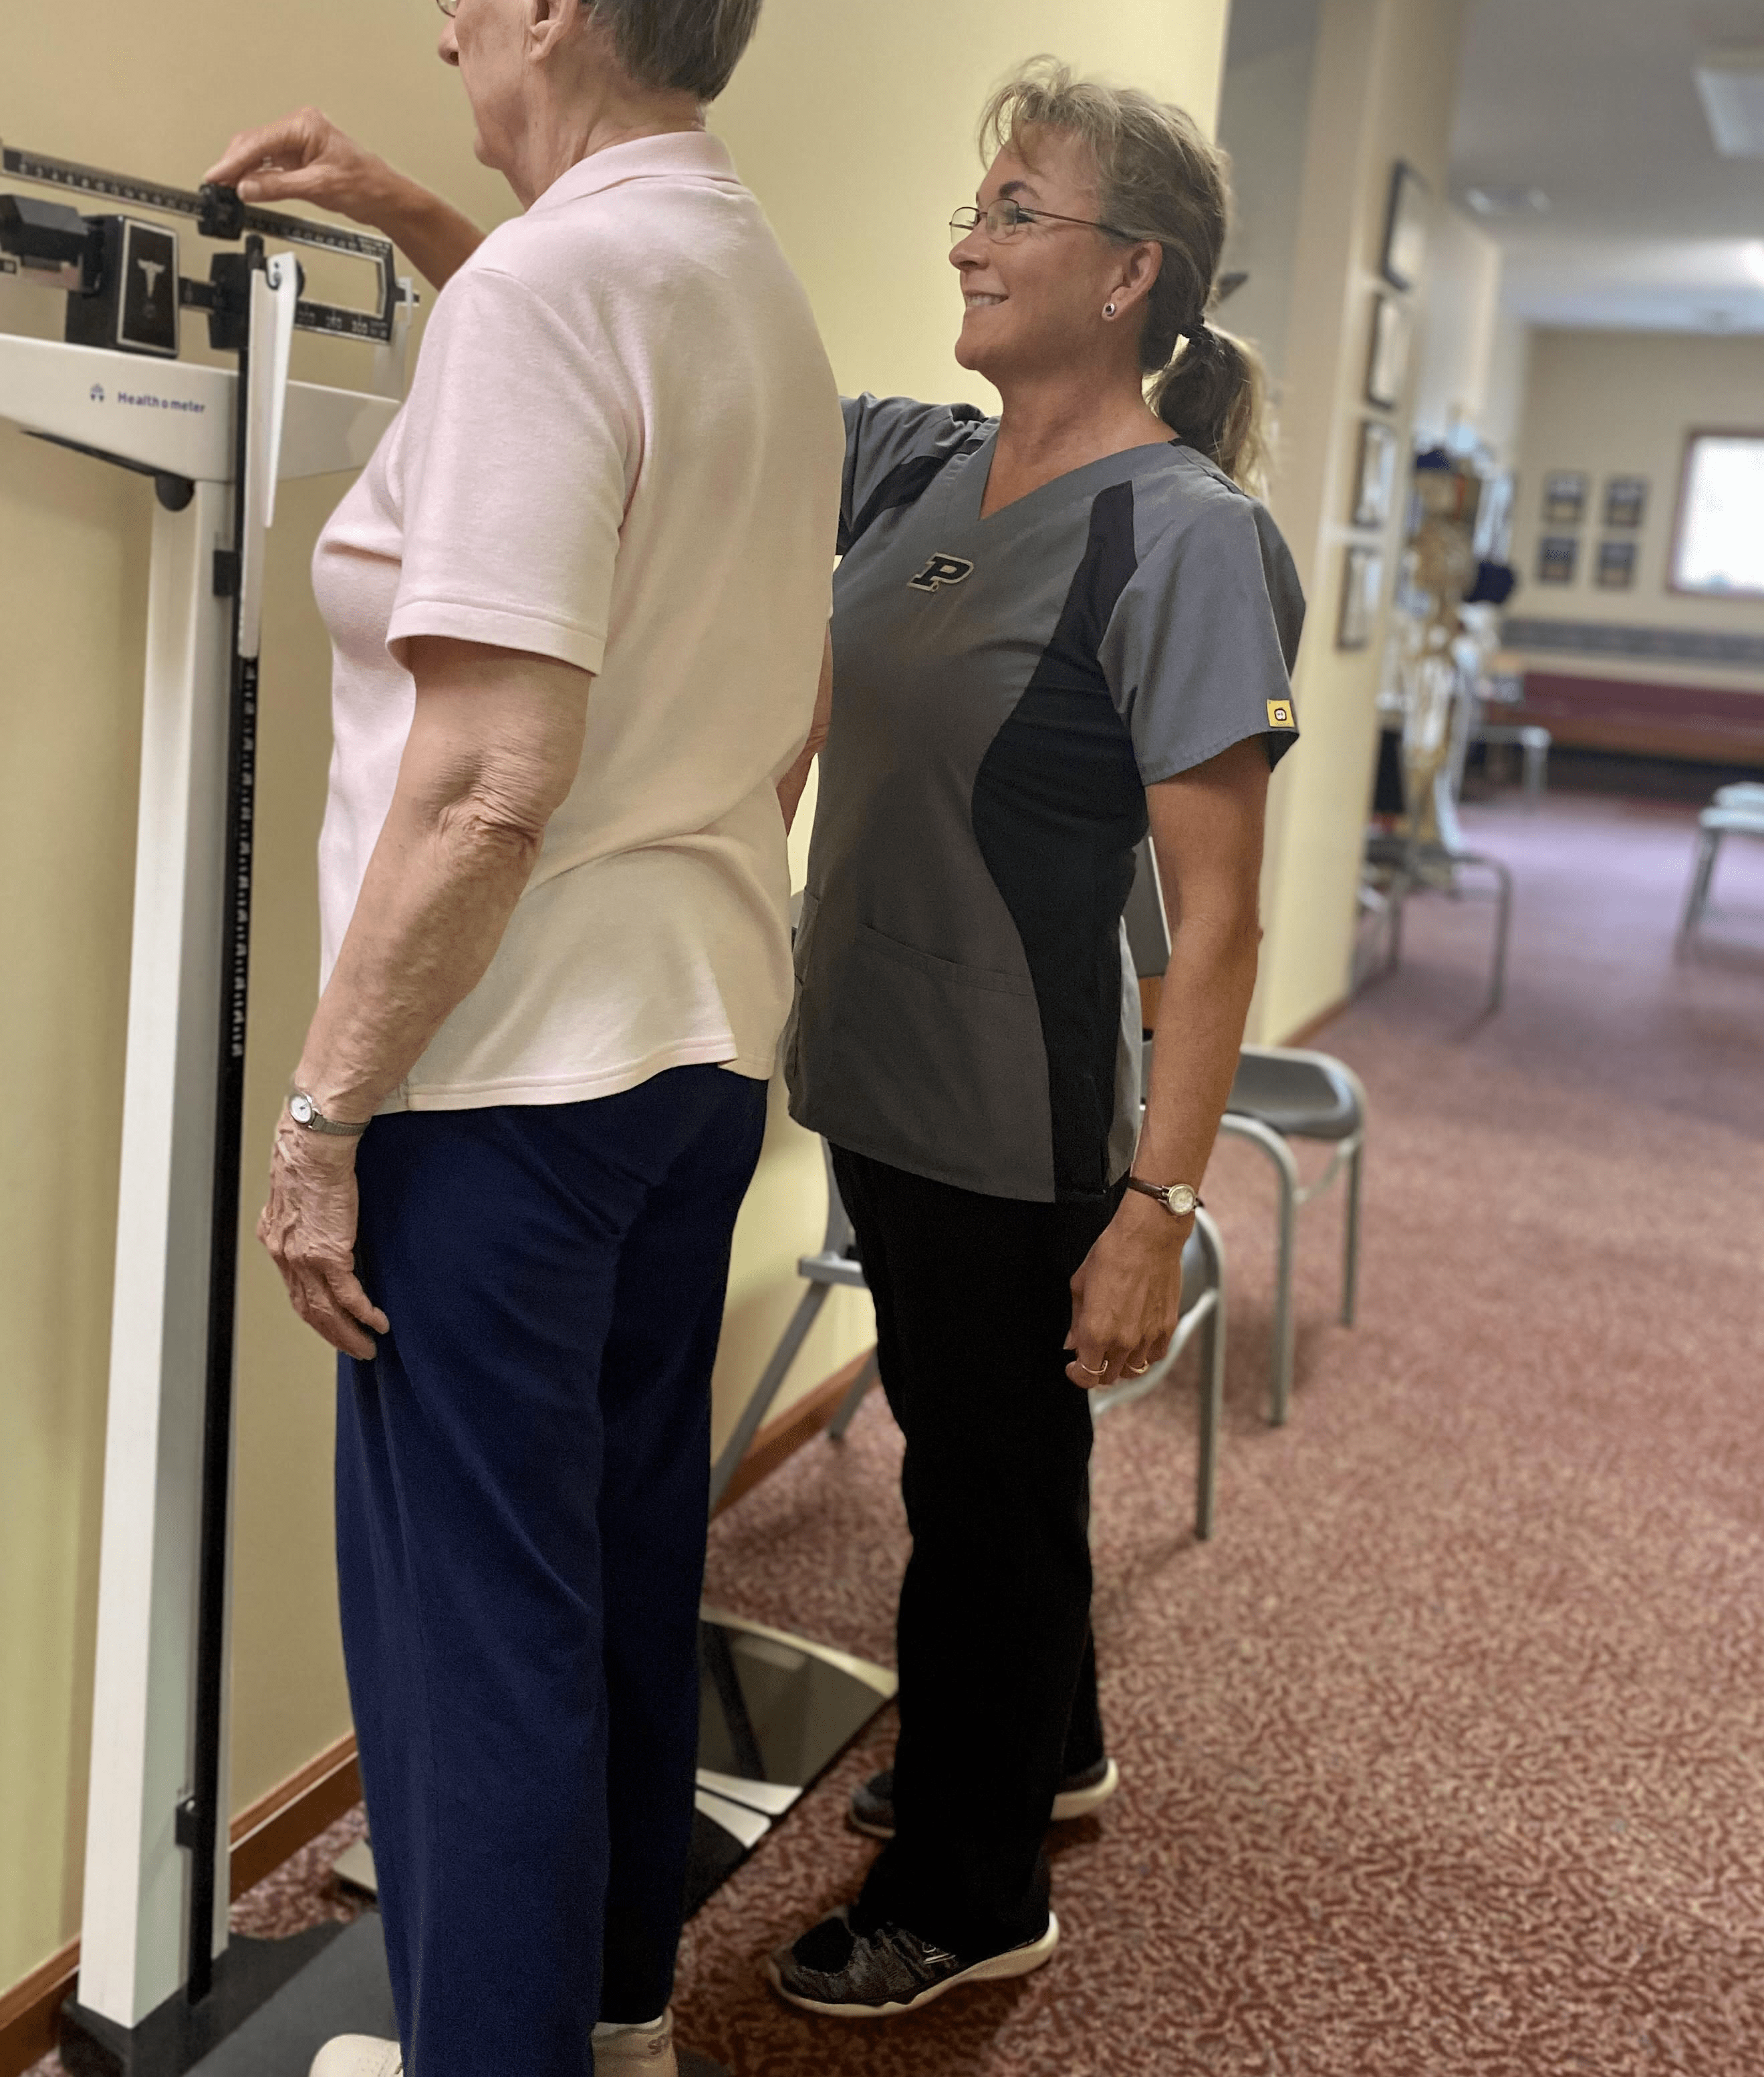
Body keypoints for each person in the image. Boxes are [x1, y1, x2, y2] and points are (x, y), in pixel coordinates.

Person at [206, 3, 843, 2073]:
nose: (446, 21)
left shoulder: (563, 289)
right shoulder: (739, 281)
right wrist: (416, 215)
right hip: (691, 1042)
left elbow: (489, 778)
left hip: (503, 1072)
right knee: (620, 1550)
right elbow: (763, 677)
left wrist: (321, 1116)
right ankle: (609, 2015)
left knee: (470, 1631)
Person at [767, 59, 1305, 2019]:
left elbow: (1220, 917)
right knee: (989, 1452)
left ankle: (974, 1882)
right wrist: (432, 232)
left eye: (1014, 210)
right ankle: (1044, 1746)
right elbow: (667, 369)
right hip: (879, 1066)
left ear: (1125, 272)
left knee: (975, 1494)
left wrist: (1154, 1204)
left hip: (1012, 1104)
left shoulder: (1176, 537)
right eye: (974, 208)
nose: (966, 242)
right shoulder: (918, 462)